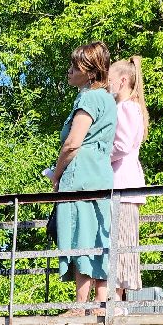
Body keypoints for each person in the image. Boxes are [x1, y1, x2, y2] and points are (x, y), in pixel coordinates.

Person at [50, 41, 116, 306]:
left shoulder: (89, 98)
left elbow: (73, 142)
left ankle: (80, 306)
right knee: (99, 237)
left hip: (81, 177)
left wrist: (56, 174)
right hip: (100, 175)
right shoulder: (108, 99)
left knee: (80, 237)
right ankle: (101, 306)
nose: (68, 71)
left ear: (89, 72)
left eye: (74, 66)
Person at [108, 55, 147, 299]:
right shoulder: (130, 108)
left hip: (121, 184)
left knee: (120, 243)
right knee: (118, 242)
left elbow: (121, 145)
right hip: (123, 184)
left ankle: (115, 299)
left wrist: (97, 157)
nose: (106, 84)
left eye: (109, 79)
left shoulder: (126, 108)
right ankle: (113, 297)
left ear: (122, 81)